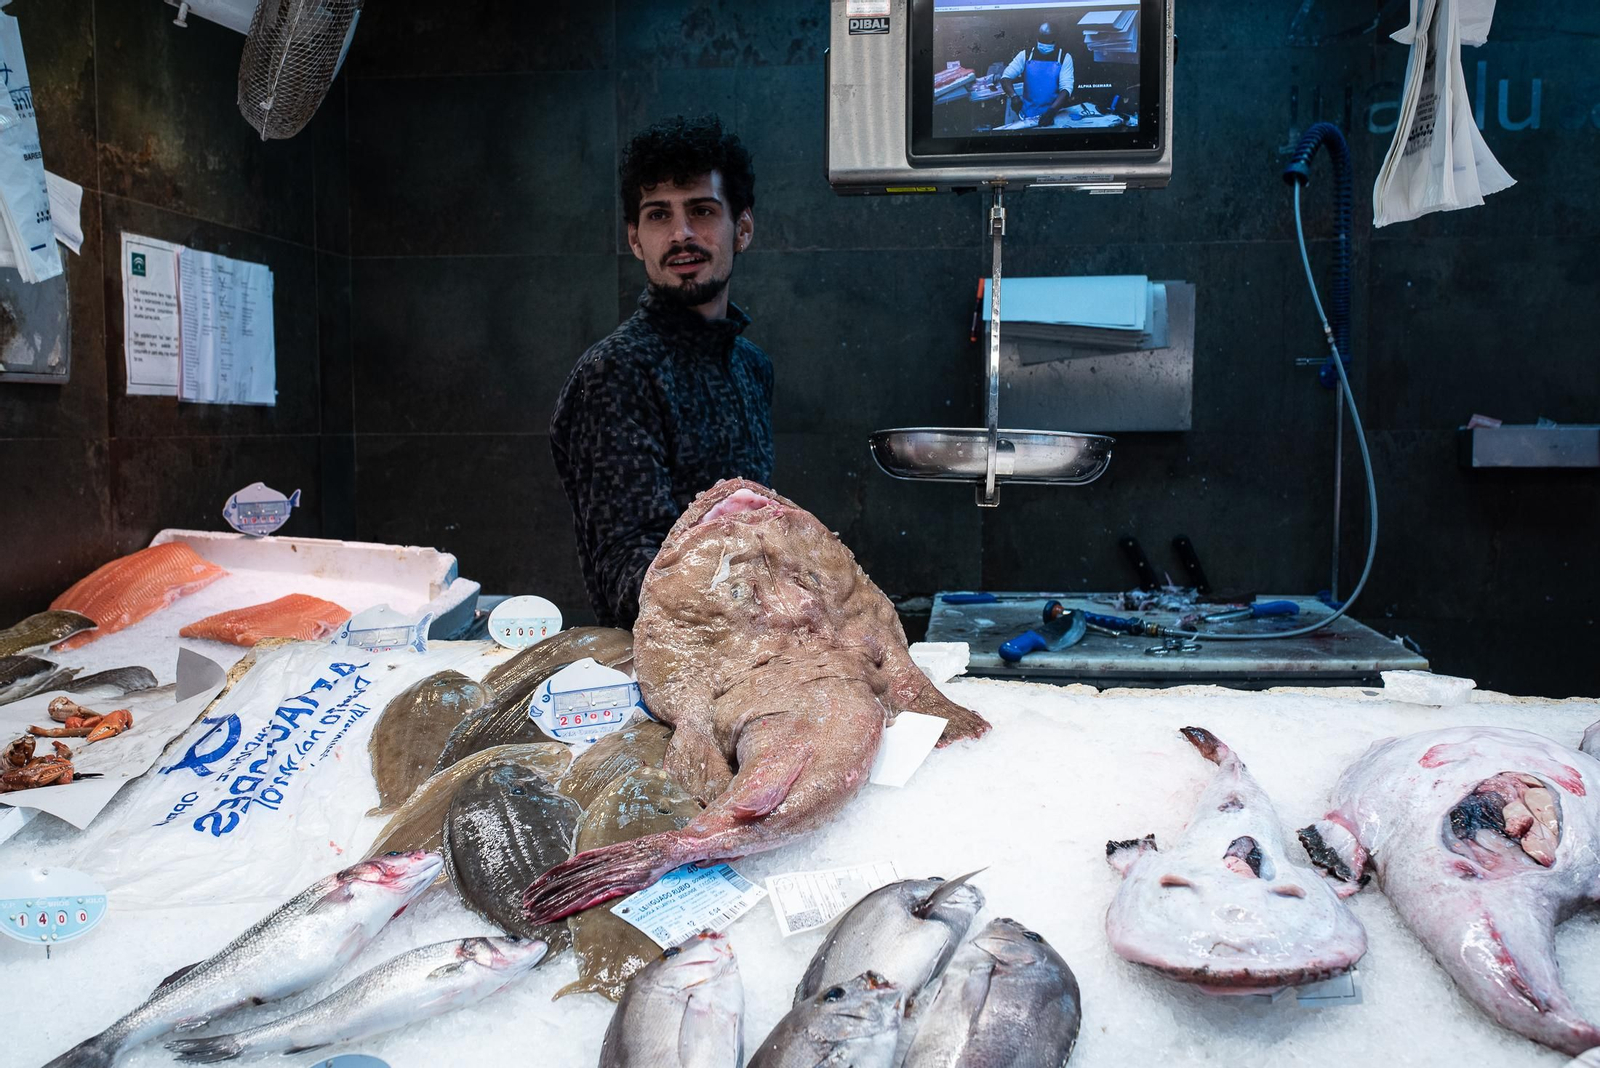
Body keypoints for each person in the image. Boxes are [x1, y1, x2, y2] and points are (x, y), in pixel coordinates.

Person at [549, 115, 774, 628]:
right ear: (634, 238)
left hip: (755, 650)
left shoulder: (752, 368)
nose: (681, 234)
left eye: (701, 210)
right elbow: (628, 579)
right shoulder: (615, 373)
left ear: (742, 228)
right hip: (662, 680)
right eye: (658, 216)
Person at [1000, 21, 1076, 127]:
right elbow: (1006, 77)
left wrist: (1052, 111)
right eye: (1042, 40)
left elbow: (1066, 88)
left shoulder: (1064, 57)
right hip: (1027, 115)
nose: (1045, 44)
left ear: (1056, 40)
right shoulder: (1025, 55)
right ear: (1037, 38)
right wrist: (1014, 96)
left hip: (1054, 115)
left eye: (1048, 41)